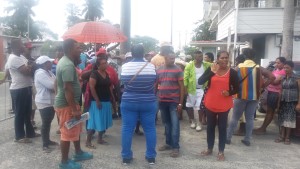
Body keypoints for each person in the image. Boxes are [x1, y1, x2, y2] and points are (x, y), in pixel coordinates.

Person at [54, 39, 93, 169]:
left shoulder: (68, 62)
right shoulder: (67, 65)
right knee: (66, 132)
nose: (80, 50)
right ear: (70, 49)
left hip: (70, 103)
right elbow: (67, 89)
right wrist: (74, 109)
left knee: (75, 127)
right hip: (67, 105)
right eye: (78, 48)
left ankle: (78, 152)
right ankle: (64, 162)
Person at [226, 48, 275, 146]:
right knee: (250, 118)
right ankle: (247, 139)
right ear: (254, 57)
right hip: (254, 96)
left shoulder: (239, 67)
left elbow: (229, 78)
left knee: (235, 118)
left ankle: (228, 138)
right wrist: (262, 86)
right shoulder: (258, 67)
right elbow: (272, 77)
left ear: (244, 56)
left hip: (240, 95)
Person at [198, 51, 239, 161]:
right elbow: (200, 81)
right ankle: (209, 148)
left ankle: (221, 151)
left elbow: (237, 88)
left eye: (226, 58)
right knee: (210, 127)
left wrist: (229, 93)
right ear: (217, 59)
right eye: (222, 58)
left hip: (224, 105)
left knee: (222, 128)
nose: (225, 60)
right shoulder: (212, 69)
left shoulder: (232, 73)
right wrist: (212, 72)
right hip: (210, 103)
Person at [121, 44, 157, 165]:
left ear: (131, 53)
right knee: (150, 129)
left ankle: (126, 157)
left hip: (129, 101)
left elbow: (123, 82)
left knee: (127, 129)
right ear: (143, 53)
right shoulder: (151, 67)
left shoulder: (125, 67)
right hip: (148, 101)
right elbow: (153, 82)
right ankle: (151, 156)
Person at [6, 39, 40, 143]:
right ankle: (19, 136)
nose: (24, 47)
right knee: (20, 113)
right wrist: (32, 66)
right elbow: (26, 72)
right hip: (19, 89)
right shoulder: (14, 58)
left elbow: (30, 66)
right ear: (16, 47)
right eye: (22, 45)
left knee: (27, 112)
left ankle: (30, 133)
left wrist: (31, 66)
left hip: (26, 87)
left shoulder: (21, 57)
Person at [157, 51, 184, 158]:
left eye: (173, 58)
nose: (172, 60)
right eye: (170, 58)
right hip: (162, 101)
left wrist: (181, 103)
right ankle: (168, 143)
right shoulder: (159, 70)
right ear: (165, 58)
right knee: (167, 124)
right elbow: (157, 84)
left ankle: (175, 147)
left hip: (174, 102)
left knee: (175, 125)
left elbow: (182, 87)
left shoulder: (178, 69)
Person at [85, 56, 115, 148]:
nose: (105, 64)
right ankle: (88, 142)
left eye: (106, 63)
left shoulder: (107, 73)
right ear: (98, 65)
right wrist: (97, 100)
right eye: (103, 63)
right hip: (96, 102)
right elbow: (92, 87)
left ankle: (100, 138)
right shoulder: (94, 74)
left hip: (106, 101)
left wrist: (112, 98)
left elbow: (110, 87)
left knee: (103, 121)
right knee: (93, 122)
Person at [254, 57, 286, 134]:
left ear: (283, 63)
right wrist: (270, 79)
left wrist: (269, 79)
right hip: (270, 92)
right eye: (276, 62)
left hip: (275, 93)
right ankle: (263, 127)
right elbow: (271, 79)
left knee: (270, 112)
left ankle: (263, 128)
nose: (276, 64)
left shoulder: (283, 72)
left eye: (278, 63)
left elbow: (275, 82)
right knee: (268, 111)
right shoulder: (276, 70)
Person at [34, 55, 58, 153]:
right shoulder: (40, 73)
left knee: (48, 121)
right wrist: (56, 85)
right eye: (49, 62)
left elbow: (56, 82)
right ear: (44, 64)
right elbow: (52, 85)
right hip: (43, 101)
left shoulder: (49, 72)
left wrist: (56, 84)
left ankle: (47, 140)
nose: (51, 63)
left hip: (50, 101)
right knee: (45, 122)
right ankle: (45, 144)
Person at [184, 50, 211, 131]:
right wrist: (186, 90)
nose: (201, 58)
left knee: (200, 107)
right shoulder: (189, 66)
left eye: (201, 56)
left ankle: (199, 123)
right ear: (195, 57)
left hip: (202, 89)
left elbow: (215, 65)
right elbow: (185, 78)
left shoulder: (206, 65)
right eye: (199, 56)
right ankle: (192, 121)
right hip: (191, 89)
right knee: (189, 105)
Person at [275, 61, 300, 145]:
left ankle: (287, 137)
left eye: (287, 68)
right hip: (283, 101)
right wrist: (278, 104)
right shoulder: (283, 78)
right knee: (282, 119)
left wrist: (299, 104)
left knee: (289, 120)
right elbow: (281, 91)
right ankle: (281, 136)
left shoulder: (297, 78)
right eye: (284, 68)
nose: (285, 69)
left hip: (292, 102)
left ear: (292, 68)